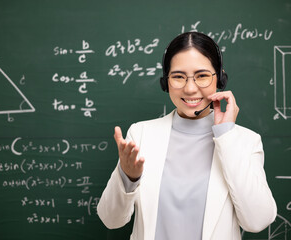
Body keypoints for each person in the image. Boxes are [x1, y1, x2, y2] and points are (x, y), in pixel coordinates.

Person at [97, 31, 277, 240]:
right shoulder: (141, 134)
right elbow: (111, 220)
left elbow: (258, 221)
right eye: (178, 77)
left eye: (202, 76)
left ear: (219, 78)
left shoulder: (244, 141)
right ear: (166, 82)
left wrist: (226, 135)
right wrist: (128, 177)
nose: (190, 89)